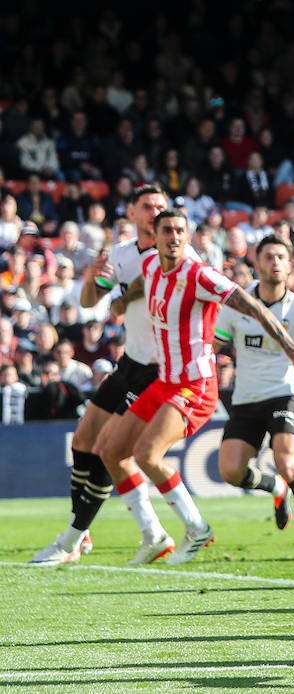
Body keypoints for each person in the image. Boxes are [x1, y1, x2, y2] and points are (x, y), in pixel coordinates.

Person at [93, 209, 294, 565]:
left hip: (196, 383)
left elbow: (251, 305)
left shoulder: (198, 275)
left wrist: (293, 351)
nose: (174, 237)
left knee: (147, 455)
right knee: (110, 451)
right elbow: (144, 283)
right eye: (167, 231)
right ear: (154, 237)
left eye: (180, 231)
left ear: (188, 238)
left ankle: (197, 528)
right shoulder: (153, 269)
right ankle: (154, 536)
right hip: (165, 380)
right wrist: (123, 301)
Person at [30, 185, 179, 566]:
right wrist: (94, 279)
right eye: (147, 206)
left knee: (108, 451)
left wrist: (121, 298)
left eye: (160, 206)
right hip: (129, 363)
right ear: (132, 211)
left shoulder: (179, 256)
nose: (154, 212)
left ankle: (71, 540)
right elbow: (89, 303)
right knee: (82, 439)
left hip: (158, 370)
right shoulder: (122, 254)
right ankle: (90, 531)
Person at [214, 235, 294, 552]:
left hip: (284, 394)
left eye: (281, 257)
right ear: (258, 263)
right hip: (245, 399)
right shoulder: (236, 306)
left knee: (287, 460)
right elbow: (212, 346)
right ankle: (275, 488)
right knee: (230, 471)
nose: (276, 262)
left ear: (290, 264)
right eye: (269, 257)